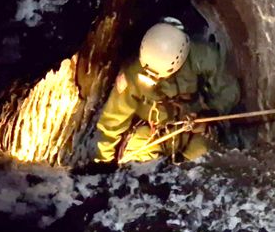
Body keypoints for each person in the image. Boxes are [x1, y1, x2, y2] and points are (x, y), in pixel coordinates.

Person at [93, 19, 240, 165]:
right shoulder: (132, 74)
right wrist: (104, 160)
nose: (153, 78)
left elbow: (228, 91)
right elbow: (112, 121)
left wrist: (210, 116)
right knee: (139, 166)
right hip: (150, 133)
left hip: (191, 128)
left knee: (204, 158)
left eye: (160, 75)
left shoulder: (203, 58)